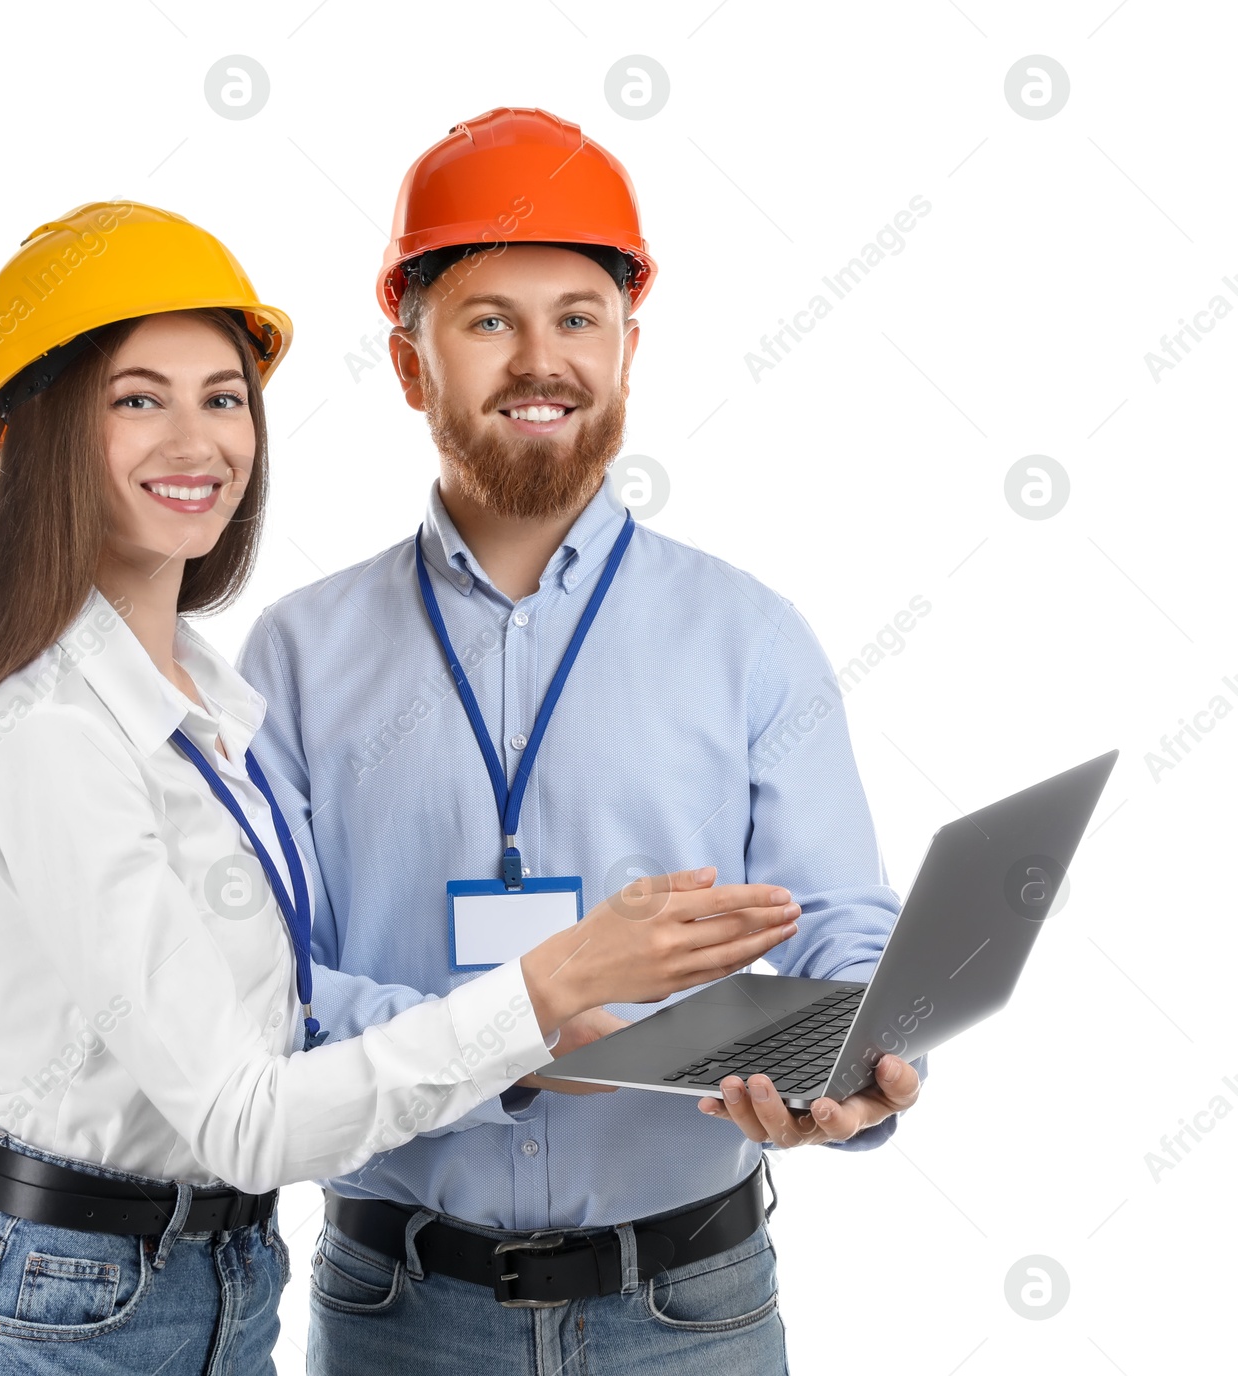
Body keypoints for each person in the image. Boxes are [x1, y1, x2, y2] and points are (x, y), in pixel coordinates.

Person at [0, 200, 806, 1376]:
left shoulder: (209, 702)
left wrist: (572, 1030)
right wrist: (555, 975)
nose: (196, 440)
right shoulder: (53, 735)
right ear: (41, 430)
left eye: (222, 396)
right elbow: (244, 1118)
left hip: (211, 1286)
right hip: (58, 1306)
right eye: (136, 397)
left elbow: (289, 1014)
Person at [232, 109, 927, 1373]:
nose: (539, 358)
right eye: (488, 319)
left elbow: (836, 918)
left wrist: (863, 1055)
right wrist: (512, 1023)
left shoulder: (749, 634)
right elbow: (261, 989)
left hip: (691, 1314)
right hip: (398, 1314)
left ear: (625, 347)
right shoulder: (295, 653)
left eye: (577, 316)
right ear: (408, 362)